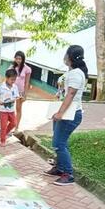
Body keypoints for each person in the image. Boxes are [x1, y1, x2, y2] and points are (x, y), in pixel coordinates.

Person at [44, 45, 88, 186]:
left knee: (58, 143)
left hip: (70, 114)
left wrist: (60, 113)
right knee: (60, 142)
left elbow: (71, 94)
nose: (64, 56)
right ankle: (60, 168)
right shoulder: (72, 71)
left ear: (70, 56)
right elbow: (64, 91)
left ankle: (68, 174)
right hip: (64, 111)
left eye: (66, 53)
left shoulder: (76, 73)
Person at [0, 69, 20, 146]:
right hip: (2, 109)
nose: (13, 81)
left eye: (14, 79)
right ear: (6, 78)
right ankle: (2, 140)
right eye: (11, 79)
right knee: (4, 125)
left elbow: (16, 96)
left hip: (11, 109)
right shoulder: (1, 86)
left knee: (14, 123)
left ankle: (4, 134)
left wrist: (17, 98)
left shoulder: (15, 87)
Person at [11, 51, 32, 130]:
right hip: (11, 91)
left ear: (23, 59)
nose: (18, 60)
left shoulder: (27, 69)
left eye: (20, 59)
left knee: (18, 108)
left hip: (20, 91)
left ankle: (16, 126)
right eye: (17, 58)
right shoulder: (12, 67)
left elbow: (27, 82)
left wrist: (25, 94)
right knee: (8, 107)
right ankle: (10, 124)